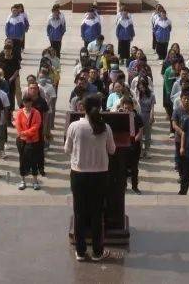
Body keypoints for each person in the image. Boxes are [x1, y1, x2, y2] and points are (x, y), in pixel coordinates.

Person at [65, 95, 116, 262]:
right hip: (100, 175)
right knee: (97, 213)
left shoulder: (74, 126)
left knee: (79, 213)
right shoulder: (105, 127)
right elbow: (112, 150)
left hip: (79, 174)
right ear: (100, 108)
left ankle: (80, 252)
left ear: (83, 108)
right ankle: (97, 252)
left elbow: (67, 149)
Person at [14, 95, 43, 191]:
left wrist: (24, 133)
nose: (27, 104)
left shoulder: (36, 113)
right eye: (25, 102)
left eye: (29, 102)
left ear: (31, 103)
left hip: (33, 140)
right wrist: (23, 134)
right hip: (22, 141)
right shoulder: (19, 113)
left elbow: (36, 126)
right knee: (22, 160)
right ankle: (23, 180)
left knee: (34, 160)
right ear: (23, 103)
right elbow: (18, 126)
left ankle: (35, 181)